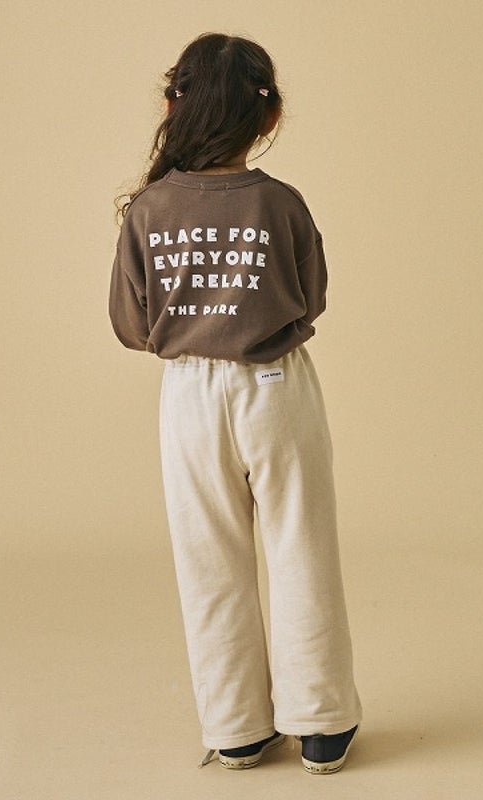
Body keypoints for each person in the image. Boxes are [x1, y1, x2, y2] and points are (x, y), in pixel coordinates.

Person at [108, 32, 363, 775]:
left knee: (208, 558)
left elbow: (129, 323)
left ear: (173, 106)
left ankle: (238, 729)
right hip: (276, 385)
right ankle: (321, 724)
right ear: (268, 113)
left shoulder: (149, 210)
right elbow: (311, 298)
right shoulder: (281, 204)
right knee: (300, 546)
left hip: (188, 398)